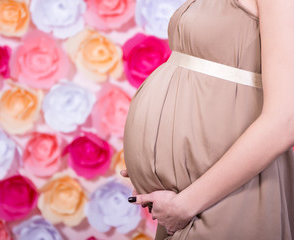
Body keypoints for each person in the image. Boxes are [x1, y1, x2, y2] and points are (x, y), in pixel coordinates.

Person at [121, 0, 294, 239]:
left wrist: (185, 204)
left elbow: (284, 122)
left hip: (223, 193)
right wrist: (158, 158)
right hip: (193, 191)